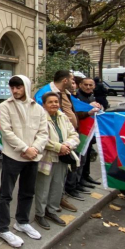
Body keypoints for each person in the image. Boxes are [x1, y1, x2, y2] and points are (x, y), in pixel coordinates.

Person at [0, 75, 49, 248]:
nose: (15, 90)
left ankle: (22, 221)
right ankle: (2, 228)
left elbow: (43, 132)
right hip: (13, 156)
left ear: (25, 87)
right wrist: (25, 149)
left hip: (33, 157)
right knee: (5, 194)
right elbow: (6, 131)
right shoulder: (4, 106)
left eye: (18, 87)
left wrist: (35, 149)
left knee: (27, 191)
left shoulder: (38, 108)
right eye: (12, 87)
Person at [34, 92, 79, 230]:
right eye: (50, 102)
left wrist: (68, 146)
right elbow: (40, 138)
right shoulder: (39, 118)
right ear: (44, 104)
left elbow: (74, 134)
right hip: (46, 157)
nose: (54, 104)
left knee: (58, 186)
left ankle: (51, 211)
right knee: (43, 187)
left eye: (56, 101)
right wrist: (58, 147)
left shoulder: (63, 117)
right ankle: (39, 214)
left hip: (63, 156)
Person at [74, 77, 102, 189]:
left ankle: (86, 176)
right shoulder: (76, 97)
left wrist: (99, 107)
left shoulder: (91, 95)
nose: (88, 87)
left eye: (91, 85)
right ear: (80, 85)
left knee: (88, 153)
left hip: (90, 131)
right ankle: (78, 181)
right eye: (86, 85)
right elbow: (77, 112)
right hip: (80, 131)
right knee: (81, 156)